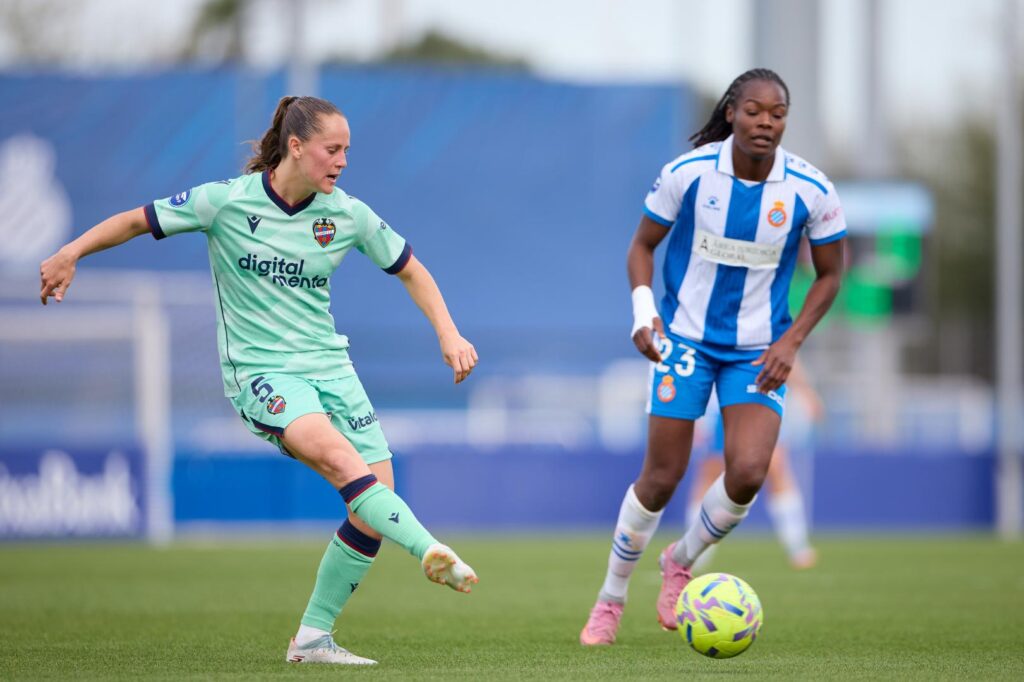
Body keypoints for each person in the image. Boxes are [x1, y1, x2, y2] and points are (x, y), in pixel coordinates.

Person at [40, 96, 480, 666]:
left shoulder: (346, 214)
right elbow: (133, 221)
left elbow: (411, 268)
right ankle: (431, 550)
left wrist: (449, 333)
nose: (343, 161)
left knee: (372, 501)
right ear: (296, 147)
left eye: (348, 149)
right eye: (333, 149)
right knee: (348, 468)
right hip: (263, 373)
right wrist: (71, 251)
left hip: (332, 368)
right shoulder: (224, 202)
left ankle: (312, 639)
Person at [580, 68, 846, 646]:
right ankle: (610, 599)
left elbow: (830, 276)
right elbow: (641, 247)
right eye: (755, 111)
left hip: (759, 351)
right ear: (732, 112)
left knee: (748, 472)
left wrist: (792, 340)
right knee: (661, 478)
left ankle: (680, 562)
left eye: (777, 113)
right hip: (685, 342)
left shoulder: (810, 189)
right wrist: (643, 312)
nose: (766, 122)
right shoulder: (688, 174)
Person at [687, 358, 825, 573]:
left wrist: (805, 391)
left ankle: (797, 546)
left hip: (760, 390)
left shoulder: (767, 327)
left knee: (776, 465)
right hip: (721, 396)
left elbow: (785, 350)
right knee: (711, 472)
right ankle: (695, 552)